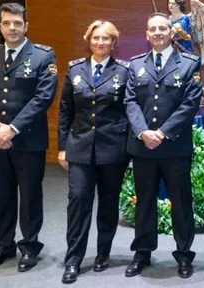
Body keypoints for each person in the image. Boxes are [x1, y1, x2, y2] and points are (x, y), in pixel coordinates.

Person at [0, 2, 58, 272]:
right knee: (1, 194)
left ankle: (29, 246)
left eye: (17, 23)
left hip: (28, 140)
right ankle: (3, 246)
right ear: (0, 26)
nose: (12, 28)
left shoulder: (43, 56)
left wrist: (13, 129)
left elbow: (43, 97)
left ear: (26, 26)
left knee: (30, 195)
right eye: (7, 23)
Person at [123, 12, 203, 279]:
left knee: (180, 202)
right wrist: (144, 132)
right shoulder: (135, 65)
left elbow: (190, 104)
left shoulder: (189, 63)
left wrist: (163, 133)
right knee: (144, 202)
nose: (157, 33)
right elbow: (130, 102)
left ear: (172, 33)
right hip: (143, 146)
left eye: (162, 28)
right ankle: (142, 253)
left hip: (175, 147)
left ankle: (183, 255)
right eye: (152, 29)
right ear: (146, 34)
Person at [57, 20, 131, 284]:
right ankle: (73, 259)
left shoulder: (124, 71)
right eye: (96, 38)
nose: (101, 43)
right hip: (79, 148)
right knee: (78, 201)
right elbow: (65, 110)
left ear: (114, 43)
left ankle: (103, 253)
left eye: (106, 39)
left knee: (108, 203)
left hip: (113, 149)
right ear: (89, 40)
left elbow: (130, 110)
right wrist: (62, 147)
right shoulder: (74, 69)